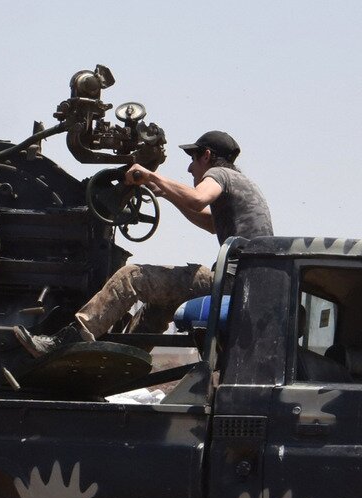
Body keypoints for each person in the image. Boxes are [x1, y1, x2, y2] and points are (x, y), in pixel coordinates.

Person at [16, 130, 273, 357]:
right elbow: (211, 224)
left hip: (232, 282)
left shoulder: (220, 174)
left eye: (193, 160)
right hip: (250, 283)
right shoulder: (244, 184)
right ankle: (126, 359)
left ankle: (66, 341)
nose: (190, 169)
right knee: (160, 306)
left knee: (133, 277)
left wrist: (152, 176)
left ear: (207, 155)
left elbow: (197, 199)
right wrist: (169, 195)